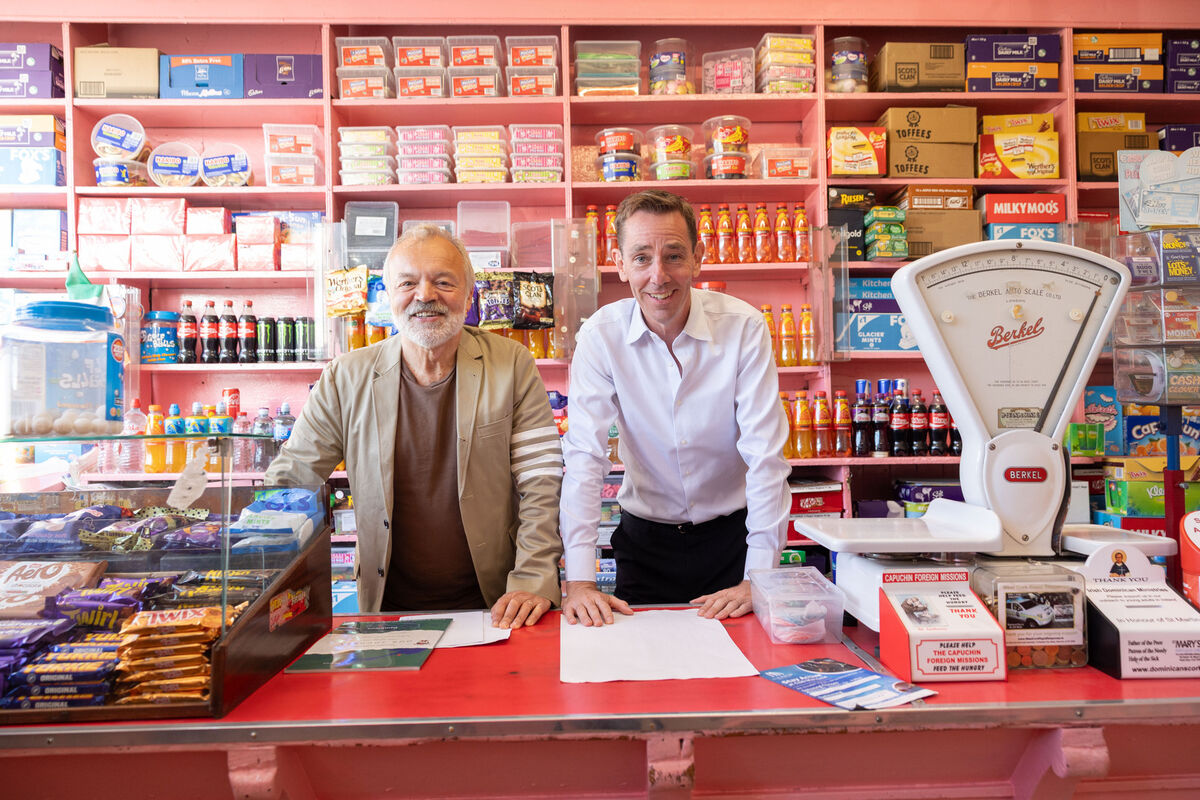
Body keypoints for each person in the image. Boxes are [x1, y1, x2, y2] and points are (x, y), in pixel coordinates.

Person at [265, 224, 563, 628]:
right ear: (388, 296)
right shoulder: (345, 377)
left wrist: (532, 578)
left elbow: (541, 482)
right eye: (408, 282)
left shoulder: (511, 364)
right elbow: (294, 477)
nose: (425, 295)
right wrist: (256, 547)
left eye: (443, 281)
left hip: (499, 604)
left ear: (469, 294)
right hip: (386, 608)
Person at [558, 190, 792, 626]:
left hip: (733, 542)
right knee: (644, 676)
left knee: (741, 679)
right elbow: (585, 458)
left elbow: (765, 457)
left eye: (674, 256)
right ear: (620, 262)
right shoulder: (600, 337)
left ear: (698, 258)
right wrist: (581, 581)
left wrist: (759, 576)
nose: (658, 276)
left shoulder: (743, 327)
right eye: (642, 257)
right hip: (645, 544)